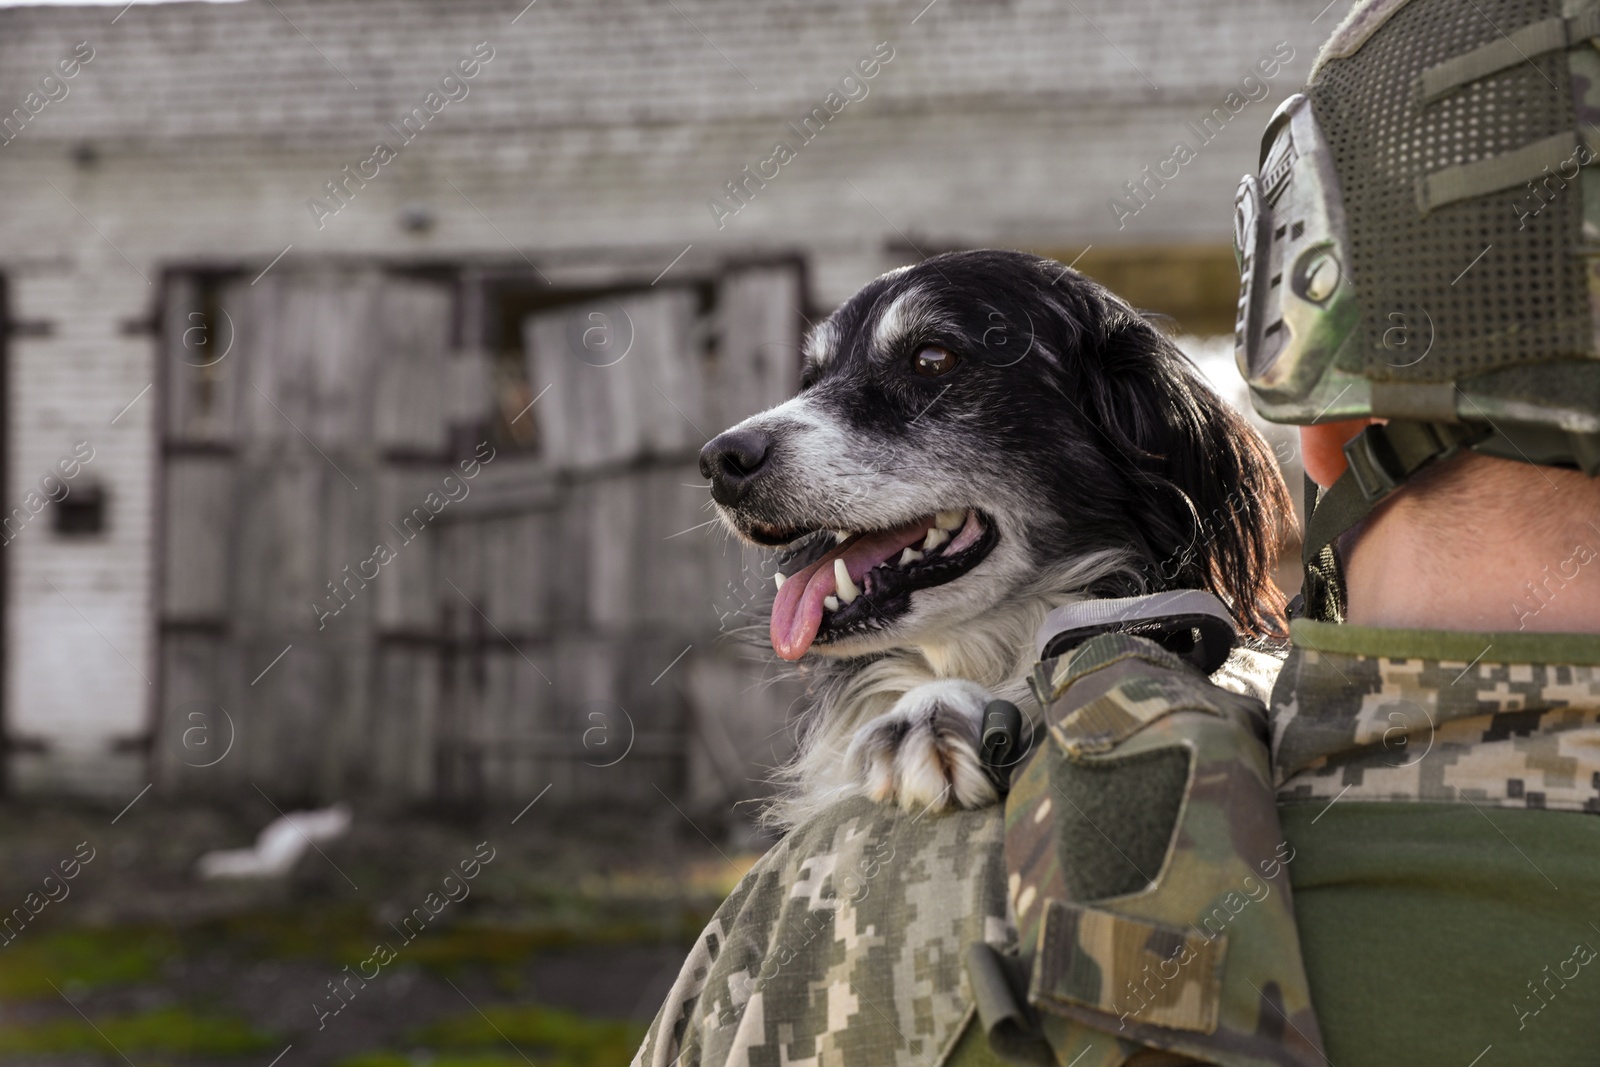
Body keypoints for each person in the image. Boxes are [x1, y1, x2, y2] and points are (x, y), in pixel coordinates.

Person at [636, 0, 1600, 1063]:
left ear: (1329, 430)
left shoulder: (820, 924)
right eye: (826, 373)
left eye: (932, 367)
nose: (758, 438)